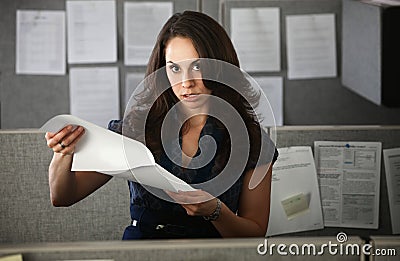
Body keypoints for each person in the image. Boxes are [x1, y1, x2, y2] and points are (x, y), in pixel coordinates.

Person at [45, 10, 278, 239]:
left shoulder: (252, 140)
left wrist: (216, 212)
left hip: (210, 254)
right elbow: (63, 196)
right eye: (175, 68)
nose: (186, 82)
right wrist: (62, 154)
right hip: (141, 252)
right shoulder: (136, 128)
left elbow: (255, 232)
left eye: (197, 66)